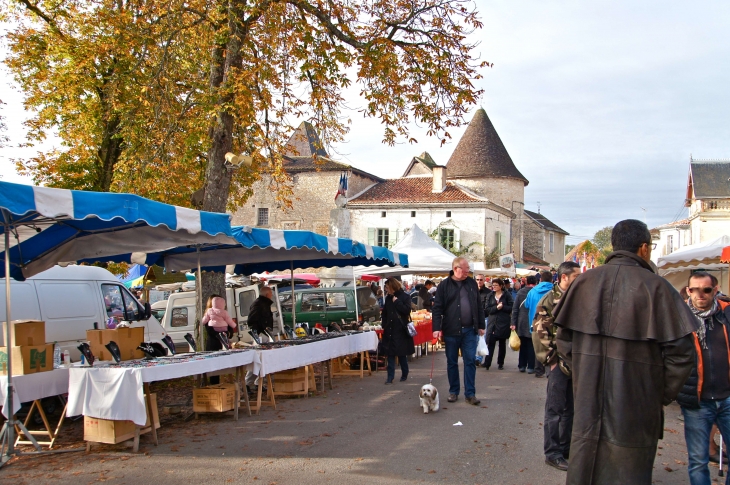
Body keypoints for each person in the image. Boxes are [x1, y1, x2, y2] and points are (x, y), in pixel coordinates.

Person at [553, 219, 698, 485]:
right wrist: (656, 393)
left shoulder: (583, 282)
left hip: (589, 400)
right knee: (627, 473)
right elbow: (683, 355)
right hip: (637, 405)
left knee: (588, 468)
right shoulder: (657, 287)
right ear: (644, 248)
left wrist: (584, 377)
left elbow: (564, 342)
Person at [675, 271, 730, 485]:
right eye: (694, 289)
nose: (700, 294)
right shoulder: (679, 318)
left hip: (727, 397)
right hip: (697, 400)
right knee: (698, 461)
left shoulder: (725, 314)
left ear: (714, 291)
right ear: (688, 291)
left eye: (706, 290)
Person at [532, 261, 581, 471]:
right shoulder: (549, 301)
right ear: (563, 278)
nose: (580, 280)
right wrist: (551, 361)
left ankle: (566, 448)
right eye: (576, 277)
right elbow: (540, 334)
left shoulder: (579, 298)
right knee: (555, 410)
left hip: (577, 363)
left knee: (571, 409)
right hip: (558, 363)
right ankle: (552, 453)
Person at [432, 257, 486, 405]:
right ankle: (453, 391)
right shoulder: (444, 285)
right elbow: (437, 308)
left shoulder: (471, 283)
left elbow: (478, 305)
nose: (468, 271)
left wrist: (481, 325)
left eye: (468, 268)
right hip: (451, 330)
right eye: (466, 268)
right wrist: (436, 328)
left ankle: (470, 393)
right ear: (456, 269)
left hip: (470, 330)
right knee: (452, 362)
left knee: (470, 361)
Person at [381, 277, 415, 384]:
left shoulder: (405, 296)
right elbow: (385, 313)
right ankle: (390, 377)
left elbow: (407, 310)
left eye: (387, 287)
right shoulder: (388, 298)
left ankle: (405, 372)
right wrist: (384, 324)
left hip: (400, 329)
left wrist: (397, 302)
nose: (386, 289)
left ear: (392, 287)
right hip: (390, 329)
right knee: (390, 354)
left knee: (401, 354)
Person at [202, 294, 236, 384]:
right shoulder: (209, 316)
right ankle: (214, 385)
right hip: (213, 344)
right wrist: (220, 335)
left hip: (224, 343)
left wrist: (228, 333)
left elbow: (230, 328)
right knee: (214, 370)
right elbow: (210, 331)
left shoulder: (223, 314)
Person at [483, 278, 513, 370]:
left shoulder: (507, 295)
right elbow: (487, 309)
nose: (494, 287)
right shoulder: (490, 295)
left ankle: (500, 363)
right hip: (492, 322)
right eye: (493, 285)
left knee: (502, 343)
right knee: (490, 343)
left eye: (496, 285)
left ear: (501, 286)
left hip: (503, 322)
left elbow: (511, 307)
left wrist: (503, 307)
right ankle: (487, 363)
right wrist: (497, 307)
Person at [511, 275, 537, 373]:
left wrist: (513, 322)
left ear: (526, 282)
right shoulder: (536, 292)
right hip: (532, 320)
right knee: (531, 344)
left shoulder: (520, 292)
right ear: (536, 282)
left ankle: (522, 365)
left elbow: (515, 308)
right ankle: (531, 366)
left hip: (521, 321)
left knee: (522, 344)